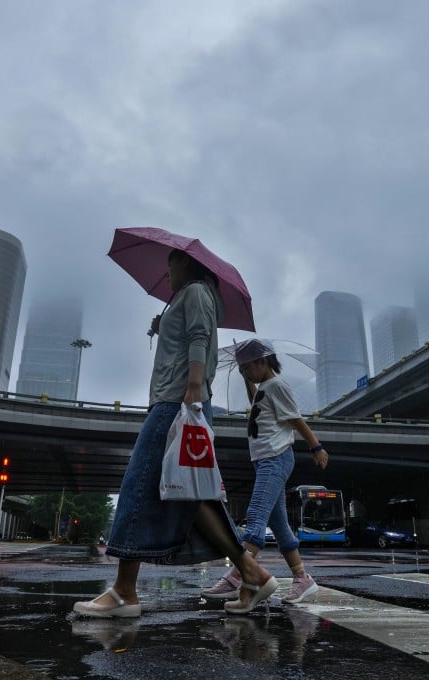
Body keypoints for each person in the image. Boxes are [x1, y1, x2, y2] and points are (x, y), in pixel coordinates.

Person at [73, 250, 276, 618]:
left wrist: (193, 386)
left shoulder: (196, 290)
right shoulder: (187, 297)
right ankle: (252, 573)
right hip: (183, 399)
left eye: (172, 264)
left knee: (139, 484)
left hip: (177, 401)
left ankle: (123, 591)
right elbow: (187, 336)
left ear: (189, 264)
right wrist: (164, 324)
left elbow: (198, 335)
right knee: (194, 496)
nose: (167, 272)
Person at [201, 339, 328, 609]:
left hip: (275, 459)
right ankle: (302, 578)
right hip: (264, 461)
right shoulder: (264, 389)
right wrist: (248, 380)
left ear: (263, 361)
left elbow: (296, 419)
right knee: (280, 525)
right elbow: (256, 399)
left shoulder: (278, 386)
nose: (245, 372)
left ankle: (239, 578)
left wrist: (316, 446)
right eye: (242, 369)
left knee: (256, 519)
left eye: (247, 367)